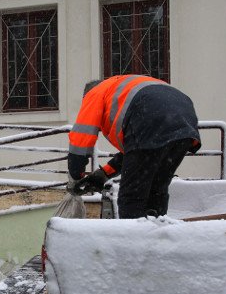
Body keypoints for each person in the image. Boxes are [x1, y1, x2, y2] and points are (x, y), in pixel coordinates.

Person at [68, 75, 201, 219]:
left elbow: (80, 140)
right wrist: (104, 174)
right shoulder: (123, 87)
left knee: (131, 196)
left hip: (149, 118)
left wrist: (76, 176)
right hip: (184, 124)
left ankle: (132, 239)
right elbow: (140, 151)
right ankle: (157, 233)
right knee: (157, 190)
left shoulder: (94, 93)